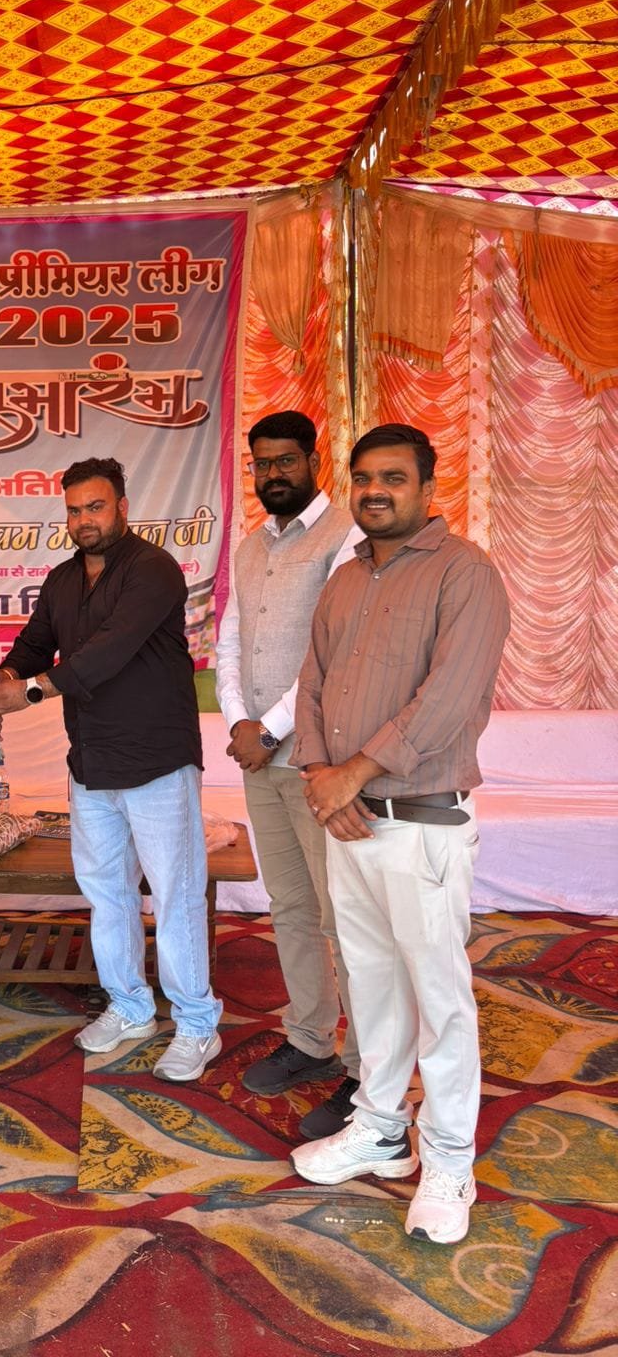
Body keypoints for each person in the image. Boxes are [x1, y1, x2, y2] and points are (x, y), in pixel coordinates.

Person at [290, 423, 510, 1245]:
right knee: (372, 985)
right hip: (349, 823)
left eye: (392, 477)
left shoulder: (466, 573)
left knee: (439, 999)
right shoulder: (347, 579)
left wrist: (352, 773)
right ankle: (381, 1129)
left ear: (426, 487)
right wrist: (321, 776)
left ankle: (449, 1158)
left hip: (422, 822)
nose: (375, 491)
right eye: (363, 478)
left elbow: (449, 697)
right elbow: (313, 683)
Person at [0, 458, 222, 1082]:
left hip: (156, 763)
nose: (84, 519)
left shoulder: (153, 570)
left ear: (122, 507)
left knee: (175, 894)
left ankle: (197, 1023)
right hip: (90, 763)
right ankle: (130, 1006)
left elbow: (107, 653)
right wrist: (1, 679)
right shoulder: (62, 580)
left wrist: (30, 691)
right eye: (74, 510)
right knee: (107, 893)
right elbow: (35, 644)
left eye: (96, 506)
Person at [216, 411, 361, 1136]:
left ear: (313, 460)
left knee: (344, 916)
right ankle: (310, 1039)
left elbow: (331, 649)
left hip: (318, 761)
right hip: (259, 758)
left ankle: (366, 1071)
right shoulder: (251, 546)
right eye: (262, 463)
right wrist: (238, 722)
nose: (273, 474)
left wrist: (269, 729)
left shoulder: (346, 537)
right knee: (291, 907)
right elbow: (231, 640)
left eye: (285, 461)